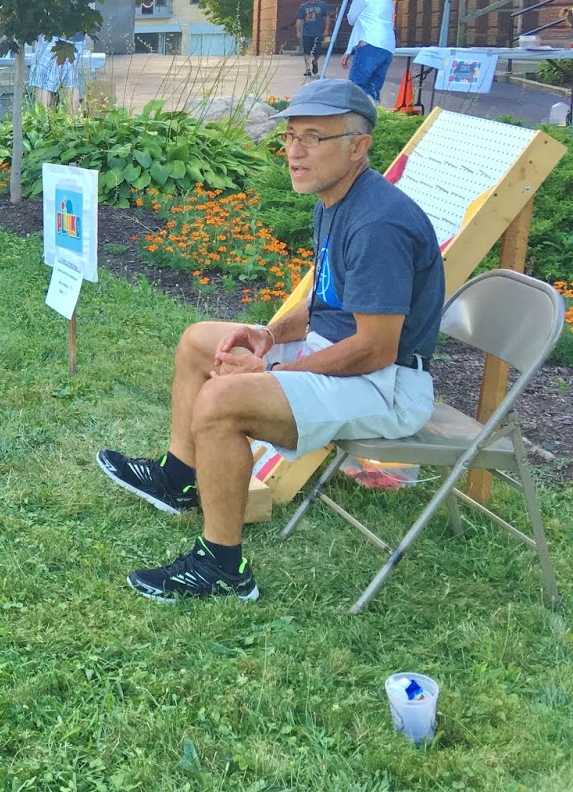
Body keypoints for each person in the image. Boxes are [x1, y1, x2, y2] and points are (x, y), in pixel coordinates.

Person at [96, 79, 443, 601]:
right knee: (199, 342)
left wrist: (274, 373)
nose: (294, 151)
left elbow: (376, 348)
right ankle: (179, 477)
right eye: (290, 136)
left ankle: (223, 567)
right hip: (343, 358)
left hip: (387, 386)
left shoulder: (379, 223)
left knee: (222, 401)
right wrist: (267, 334)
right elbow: (327, 303)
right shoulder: (335, 199)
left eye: (313, 137)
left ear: (359, 146)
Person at [341, 0, 395, 103]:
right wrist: (349, 50)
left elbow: (352, 19)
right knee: (373, 89)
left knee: (356, 89)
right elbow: (362, 23)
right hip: (387, 47)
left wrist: (349, 50)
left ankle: (357, 116)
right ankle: (375, 113)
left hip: (370, 44)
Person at [31, 34, 86, 113]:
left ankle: (42, 119)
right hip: (77, 39)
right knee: (71, 83)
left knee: (43, 83)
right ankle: (72, 119)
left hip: (53, 35)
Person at [295, 0, 331, 77]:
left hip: (318, 32)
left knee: (318, 52)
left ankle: (314, 62)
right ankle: (308, 69)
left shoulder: (322, 5)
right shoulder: (304, 6)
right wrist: (298, 31)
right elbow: (299, 19)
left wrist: (326, 29)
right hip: (307, 33)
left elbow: (327, 17)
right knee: (306, 51)